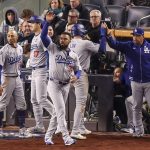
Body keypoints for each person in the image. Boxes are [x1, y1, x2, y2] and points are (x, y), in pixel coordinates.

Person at [41, 12, 81, 145]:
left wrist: (77, 76)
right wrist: (47, 22)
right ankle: (66, 137)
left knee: (57, 113)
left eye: (65, 39)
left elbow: (78, 70)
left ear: (70, 41)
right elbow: (43, 36)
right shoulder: (53, 48)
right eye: (61, 38)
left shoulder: (73, 55)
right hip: (53, 84)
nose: (62, 40)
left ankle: (47, 137)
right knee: (61, 110)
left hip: (66, 85)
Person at [105, 26, 150, 137]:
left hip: (149, 82)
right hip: (135, 82)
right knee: (136, 107)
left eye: (137, 36)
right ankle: (138, 131)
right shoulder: (128, 45)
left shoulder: (149, 47)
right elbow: (114, 44)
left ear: (142, 36)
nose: (134, 38)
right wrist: (109, 35)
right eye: (133, 35)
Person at [69, 23, 106, 139]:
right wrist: (103, 34)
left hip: (68, 74)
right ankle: (75, 131)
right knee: (81, 103)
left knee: (82, 101)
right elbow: (102, 50)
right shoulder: (85, 43)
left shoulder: (69, 42)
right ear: (82, 32)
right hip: (80, 74)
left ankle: (80, 127)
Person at [27, 16, 56, 135]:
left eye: (32, 23)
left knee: (42, 99)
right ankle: (39, 126)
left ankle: (58, 117)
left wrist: (49, 70)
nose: (30, 25)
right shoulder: (34, 37)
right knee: (34, 100)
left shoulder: (44, 38)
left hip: (42, 71)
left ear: (39, 24)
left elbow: (51, 52)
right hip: (34, 71)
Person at [0, 30, 31, 138]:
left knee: (21, 104)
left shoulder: (20, 48)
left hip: (17, 78)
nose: (10, 37)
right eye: (8, 36)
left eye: (12, 35)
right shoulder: (3, 50)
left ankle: (22, 128)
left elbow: (19, 64)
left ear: (17, 37)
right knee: (2, 104)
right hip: (7, 78)